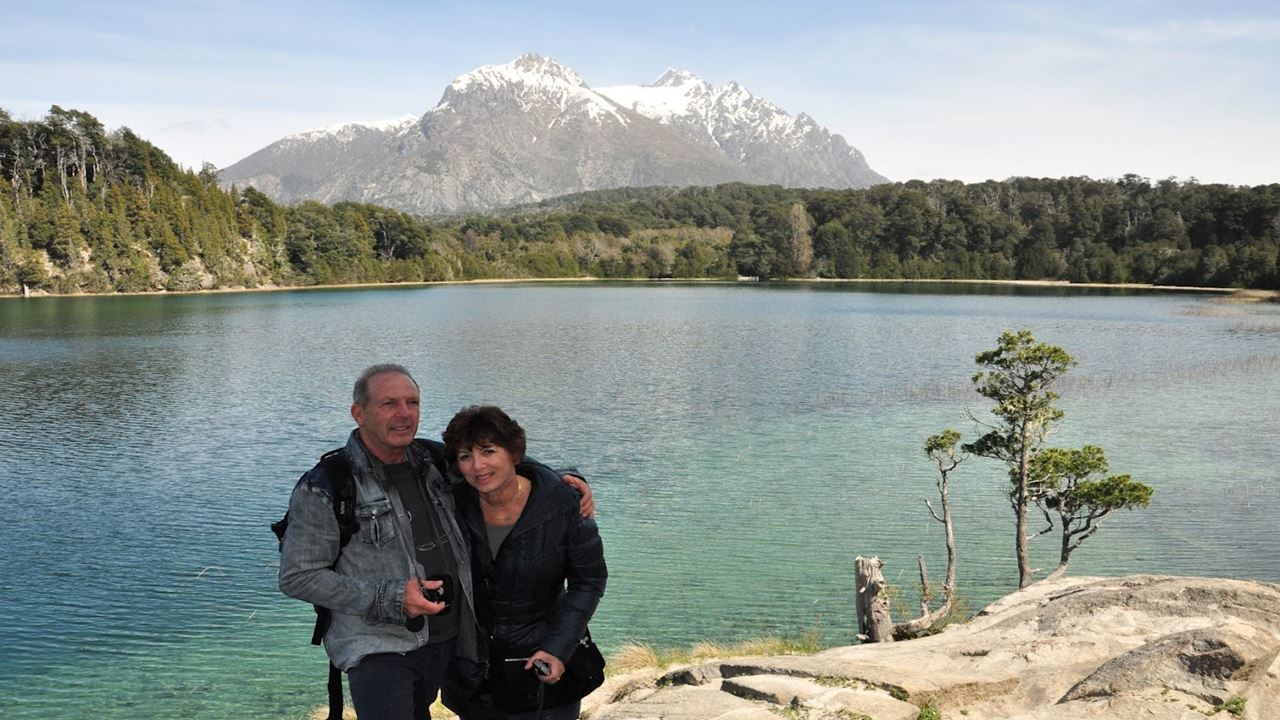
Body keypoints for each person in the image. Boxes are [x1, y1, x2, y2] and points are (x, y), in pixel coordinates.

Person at [278, 364, 591, 720]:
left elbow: (498, 462)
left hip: (451, 642)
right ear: (358, 413)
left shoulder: (432, 460)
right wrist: (392, 597)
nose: (404, 413)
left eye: (412, 402)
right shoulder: (326, 485)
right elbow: (297, 576)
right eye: (388, 404)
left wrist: (560, 479)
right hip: (380, 648)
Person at [441, 405, 607, 720]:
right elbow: (404, 452)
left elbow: (589, 581)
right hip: (475, 678)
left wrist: (558, 647)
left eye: (489, 451)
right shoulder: (450, 504)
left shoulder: (562, 504)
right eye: (465, 456)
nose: (478, 466)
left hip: (545, 671)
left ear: (514, 453)